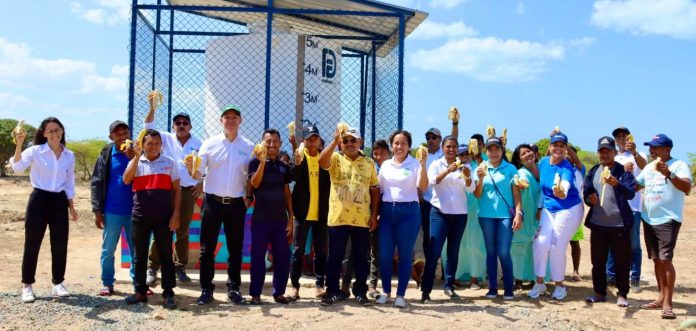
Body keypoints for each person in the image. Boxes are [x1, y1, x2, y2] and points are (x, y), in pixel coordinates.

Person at [189, 105, 254, 305]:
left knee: (236, 248)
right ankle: (206, 290)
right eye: (227, 117)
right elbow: (198, 173)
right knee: (206, 249)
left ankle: (233, 289)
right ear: (221, 120)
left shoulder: (249, 146)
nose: (231, 120)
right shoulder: (209, 144)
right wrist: (191, 170)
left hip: (236, 204)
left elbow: (250, 177)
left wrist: (249, 198)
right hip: (212, 203)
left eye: (235, 117)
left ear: (240, 121)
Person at [10, 117, 78, 303]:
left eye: (57, 130)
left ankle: (58, 283)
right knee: (32, 243)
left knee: (59, 243)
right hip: (38, 199)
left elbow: (69, 182)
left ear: (62, 131)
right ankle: (27, 285)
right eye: (50, 131)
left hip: (59, 201)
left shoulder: (69, 155)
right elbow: (17, 168)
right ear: (44, 133)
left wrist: (71, 207)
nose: (54, 134)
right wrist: (19, 145)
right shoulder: (35, 151)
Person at [143, 95, 203, 285]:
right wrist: (152, 107)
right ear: (173, 126)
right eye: (178, 122)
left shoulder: (199, 143)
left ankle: (180, 266)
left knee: (182, 230)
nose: (181, 125)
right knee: (161, 228)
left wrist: (201, 183)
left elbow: (206, 167)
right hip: (164, 189)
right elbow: (148, 127)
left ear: (190, 126)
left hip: (186, 191)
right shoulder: (166, 138)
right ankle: (152, 267)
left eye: (185, 123)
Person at [318, 126, 379, 306]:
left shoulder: (369, 163)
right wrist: (335, 141)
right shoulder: (336, 158)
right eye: (346, 141)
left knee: (362, 257)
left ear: (360, 142)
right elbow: (322, 162)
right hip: (338, 218)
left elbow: (374, 189)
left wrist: (374, 215)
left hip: (361, 220)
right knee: (335, 257)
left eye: (353, 140)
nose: (350, 144)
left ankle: (360, 291)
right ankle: (332, 291)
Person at [122, 129, 181, 309]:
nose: (153, 147)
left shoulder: (170, 163)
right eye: (149, 143)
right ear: (143, 145)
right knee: (139, 256)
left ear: (161, 145)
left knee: (165, 255)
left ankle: (168, 293)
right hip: (140, 216)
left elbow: (177, 190)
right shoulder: (136, 162)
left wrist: (176, 214)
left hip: (163, 217)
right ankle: (140, 291)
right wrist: (136, 157)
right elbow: (126, 180)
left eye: (156, 143)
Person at [636, 134, 691, 319]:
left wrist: (669, 174)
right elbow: (636, 186)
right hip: (649, 219)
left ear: (667, 149)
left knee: (665, 260)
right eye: (650, 147)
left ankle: (668, 303)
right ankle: (660, 298)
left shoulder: (679, 165)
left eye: (656, 147)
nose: (652, 150)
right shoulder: (649, 167)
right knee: (657, 260)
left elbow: (687, 188)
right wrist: (618, 180)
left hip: (668, 219)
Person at [375, 130, 427, 308]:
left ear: (409, 146)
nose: (399, 147)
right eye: (396, 143)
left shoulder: (415, 164)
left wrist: (424, 164)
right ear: (391, 146)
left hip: (409, 212)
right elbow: (380, 190)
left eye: (403, 143)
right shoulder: (386, 165)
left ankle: (400, 295)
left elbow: (423, 186)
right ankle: (386, 292)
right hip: (388, 212)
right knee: (385, 254)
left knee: (405, 255)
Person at [582, 136, 636, 307]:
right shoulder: (593, 171)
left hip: (619, 225)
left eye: (608, 151)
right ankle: (599, 292)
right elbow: (587, 194)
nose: (604, 154)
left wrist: (617, 184)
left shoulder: (623, 171)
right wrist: (589, 199)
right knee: (597, 262)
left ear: (614, 152)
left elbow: (630, 193)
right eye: (601, 151)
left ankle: (622, 294)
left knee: (622, 262)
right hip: (598, 224)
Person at [529, 131, 583, 301]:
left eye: (562, 146)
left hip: (569, 208)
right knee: (540, 243)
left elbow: (565, 181)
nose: (558, 148)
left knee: (556, 245)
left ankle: (560, 285)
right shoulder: (544, 162)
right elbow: (541, 187)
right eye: (555, 145)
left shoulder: (567, 166)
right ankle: (539, 283)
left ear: (566, 149)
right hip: (549, 209)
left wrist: (562, 191)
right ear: (550, 147)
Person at [420, 136, 475, 303]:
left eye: (454, 147)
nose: (451, 149)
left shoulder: (465, 166)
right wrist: (448, 171)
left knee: (453, 252)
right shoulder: (437, 164)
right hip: (439, 213)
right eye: (448, 146)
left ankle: (449, 286)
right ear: (443, 148)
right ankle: (426, 290)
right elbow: (432, 182)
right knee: (434, 251)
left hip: (459, 214)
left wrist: (467, 176)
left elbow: (471, 189)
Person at [248, 129, 294, 304]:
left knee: (283, 257)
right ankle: (255, 294)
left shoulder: (283, 167)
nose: (272, 145)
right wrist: (261, 163)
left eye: (275, 141)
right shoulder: (254, 162)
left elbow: (287, 194)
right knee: (258, 257)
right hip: (260, 219)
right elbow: (254, 183)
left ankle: (279, 292)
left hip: (280, 220)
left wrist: (290, 218)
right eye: (268, 141)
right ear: (262, 143)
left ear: (280, 144)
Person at [91, 120, 136, 296]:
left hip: (135, 211)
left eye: (125, 133)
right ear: (111, 137)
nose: (122, 136)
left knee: (136, 250)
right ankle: (107, 282)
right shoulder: (106, 154)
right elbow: (96, 182)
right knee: (108, 249)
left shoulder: (140, 152)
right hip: (112, 211)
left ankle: (138, 283)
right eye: (118, 134)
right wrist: (97, 211)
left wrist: (134, 156)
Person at [474, 136, 523, 300]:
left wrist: (518, 214)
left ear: (502, 150)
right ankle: (492, 288)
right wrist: (480, 178)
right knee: (490, 252)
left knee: (503, 251)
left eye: (497, 149)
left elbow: (517, 194)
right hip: (486, 215)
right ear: (485, 151)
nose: (494, 152)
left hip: (505, 217)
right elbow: (477, 194)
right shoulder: (481, 168)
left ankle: (509, 288)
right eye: (490, 149)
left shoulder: (511, 169)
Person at [288, 121, 330, 301]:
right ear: (304, 141)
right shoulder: (300, 155)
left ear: (320, 141)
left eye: (315, 138)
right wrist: (296, 161)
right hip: (302, 213)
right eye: (309, 139)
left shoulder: (325, 158)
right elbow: (293, 177)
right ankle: (295, 287)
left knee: (321, 251)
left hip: (321, 214)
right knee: (298, 251)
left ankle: (320, 285)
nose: (313, 142)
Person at [607, 126, 648, 292]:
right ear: (615, 140)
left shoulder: (639, 154)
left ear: (630, 138)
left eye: (624, 135)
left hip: (633, 206)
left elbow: (646, 168)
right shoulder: (613, 157)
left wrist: (636, 153)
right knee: (612, 242)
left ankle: (635, 277)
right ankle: (610, 274)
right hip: (615, 206)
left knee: (634, 243)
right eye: (618, 136)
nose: (622, 138)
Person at [420, 121, 458, 260]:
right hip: (426, 202)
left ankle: (443, 270)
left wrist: (455, 122)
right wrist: (419, 195)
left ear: (440, 140)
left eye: (434, 137)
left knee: (445, 237)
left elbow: (453, 138)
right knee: (429, 236)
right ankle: (430, 266)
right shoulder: (422, 155)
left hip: (443, 201)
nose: (430, 140)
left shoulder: (444, 153)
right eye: (428, 138)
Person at [510, 144, 541, 287]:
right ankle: (518, 278)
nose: (528, 154)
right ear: (519, 160)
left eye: (529, 151)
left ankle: (536, 277)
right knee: (520, 245)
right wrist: (521, 186)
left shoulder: (542, 169)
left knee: (537, 246)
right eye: (523, 154)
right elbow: (518, 184)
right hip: (525, 214)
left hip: (540, 215)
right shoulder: (521, 173)